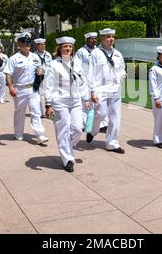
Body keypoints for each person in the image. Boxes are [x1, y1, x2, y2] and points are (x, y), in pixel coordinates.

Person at [43, 36, 90, 172]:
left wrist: (86, 99)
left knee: (77, 128)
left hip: (75, 101)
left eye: (70, 46)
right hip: (59, 101)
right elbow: (48, 85)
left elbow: (82, 83)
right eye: (65, 46)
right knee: (63, 130)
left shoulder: (77, 63)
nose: (68, 49)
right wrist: (48, 104)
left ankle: (67, 146)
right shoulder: (53, 64)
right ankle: (68, 159)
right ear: (59, 49)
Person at [86, 28, 127, 154]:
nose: (111, 39)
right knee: (101, 114)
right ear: (102, 38)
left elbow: (122, 69)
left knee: (115, 116)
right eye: (108, 37)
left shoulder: (118, 54)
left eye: (112, 37)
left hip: (115, 88)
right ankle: (92, 130)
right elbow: (90, 74)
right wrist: (92, 91)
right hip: (100, 89)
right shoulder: (95, 54)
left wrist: (121, 76)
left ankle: (112, 143)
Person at [4, 34, 49, 144]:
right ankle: (18, 133)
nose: (27, 46)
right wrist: (10, 86)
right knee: (20, 112)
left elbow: (40, 69)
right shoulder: (13, 58)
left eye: (28, 44)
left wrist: (40, 72)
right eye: (24, 43)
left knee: (36, 111)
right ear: (19, 44)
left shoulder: (34, 57)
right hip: (20, 89)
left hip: (33, 88)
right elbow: (8, 74)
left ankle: (40, 135)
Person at [75, 32, 109, 132]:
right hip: (85, 81)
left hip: (97, 81)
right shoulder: (81, 52)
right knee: (86, 105)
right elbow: (77, 66)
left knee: (99, 103)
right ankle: (86, 125)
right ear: (86, 40)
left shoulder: (99, 51)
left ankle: (102, 124)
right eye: (91, 39)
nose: (94, 40)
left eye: (95, 38)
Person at [33, 38, 52, 117]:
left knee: (48, 92)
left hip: (48, 76)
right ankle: (41, 112)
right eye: (41, 45)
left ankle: (48, 108)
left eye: (44, 44)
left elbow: (51, 65)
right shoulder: (33, 55)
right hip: (38, 77)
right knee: (39, 94)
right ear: (37, 46)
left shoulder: (48, 54)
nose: (43, 46)